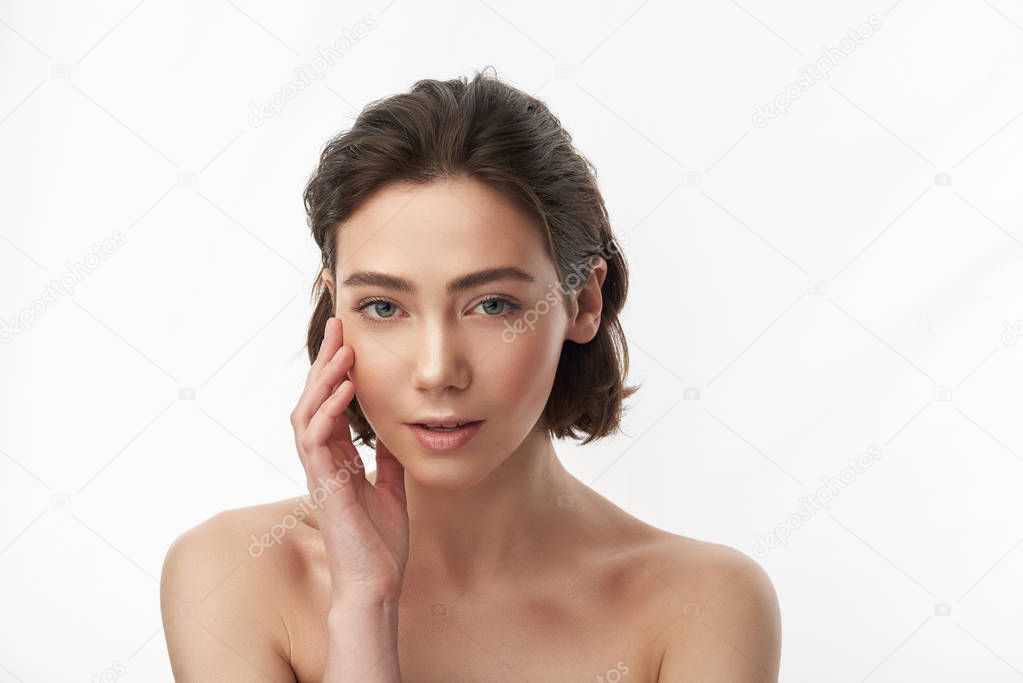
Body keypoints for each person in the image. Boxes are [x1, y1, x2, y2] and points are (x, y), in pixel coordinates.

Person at [159, 68, 782, 682]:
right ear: (335, 310)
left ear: (583, 303)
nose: (436, 371)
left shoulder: (704, 607)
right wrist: (364, 607)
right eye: (383, 307)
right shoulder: (231, 574)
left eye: (493, 305)